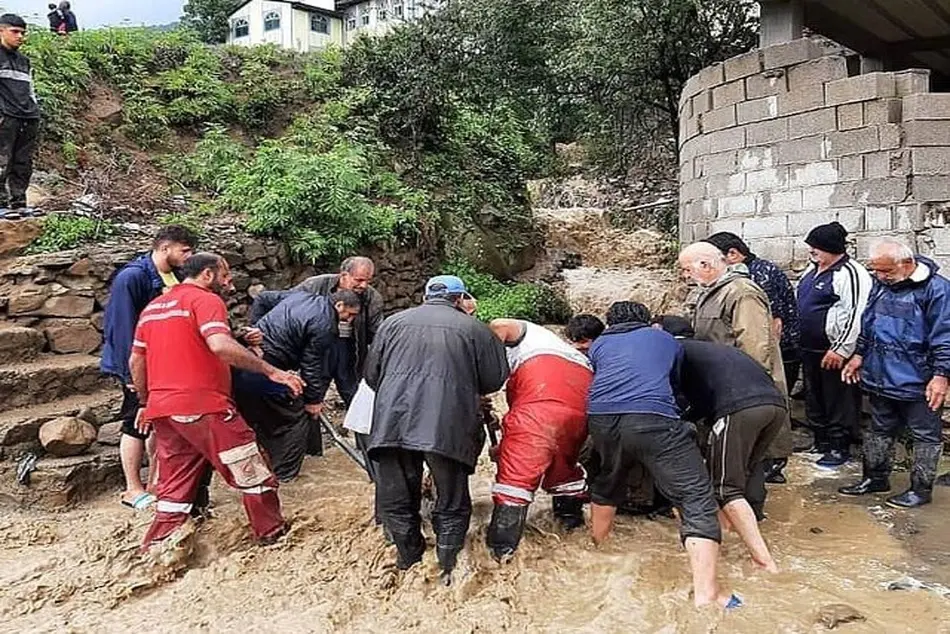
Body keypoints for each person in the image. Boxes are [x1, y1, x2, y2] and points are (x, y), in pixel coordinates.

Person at [129, 253, 305, 550]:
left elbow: (136, 360)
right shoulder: (205, 301)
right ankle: (272, 537)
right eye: (225, 276)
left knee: (174, 488)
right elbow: (220, 345)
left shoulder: (153, 308)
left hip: (164, 411)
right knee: (254, 471)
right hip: (205, 406)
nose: (230, 284)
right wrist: (272, 372)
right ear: (207, 275)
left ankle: (158, 548)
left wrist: (146, 402)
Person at [585, 301, 737, 610]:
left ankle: (597, 553)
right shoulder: (664, 339)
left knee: (608, 480)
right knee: (694, 494)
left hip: (600, 417)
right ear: (647, 322)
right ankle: (708, 593)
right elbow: (674, 383)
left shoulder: (599, 344)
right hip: (652, 417)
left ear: (610, 323)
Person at [364, 275, 509, 581]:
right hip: (449, 424)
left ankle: (409, 559)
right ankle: (446, 563)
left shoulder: (392, 323)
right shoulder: (475, 329)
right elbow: (494, 380)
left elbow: (371, 375)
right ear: (459, 299)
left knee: (397, 495)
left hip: (392, 421)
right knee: (452, 497)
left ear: (425, 296)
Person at [655, 315, 784, 572]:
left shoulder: (674, 351)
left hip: (738, 409)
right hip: (775, 406)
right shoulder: (710, 350)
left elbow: (678, 399)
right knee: (743, 470)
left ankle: (764, 561)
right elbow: (700, 400)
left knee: (725, 488)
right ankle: (730, 535)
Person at [839, 239, 950, 508]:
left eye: (885, 271)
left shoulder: (936, 290)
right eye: (876, 271)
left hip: (918, 379)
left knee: (925, 435)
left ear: (907, 264)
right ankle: (875, 478)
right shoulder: (881, 285)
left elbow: (945, 336)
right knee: (879, 429)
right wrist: (858, 354)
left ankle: (920, 490)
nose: (880, 276)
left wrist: (941, 375)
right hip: (880, 375)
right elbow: (869, 322)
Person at [678, 241, 790, 507]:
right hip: (720, 387)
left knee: (744, 459)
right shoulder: (710, 292)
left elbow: (755, 346)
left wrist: (749, 392)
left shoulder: (741, 292)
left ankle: (749, 516)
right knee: (730, 458)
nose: (685, 276)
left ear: (705, 265)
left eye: (686, 269)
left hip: (743, 390)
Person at [100, 226, 198, 510]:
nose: (188, 256)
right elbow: (121, 328)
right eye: (185, 250)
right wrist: (132, 375)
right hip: (139, 365)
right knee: (135, 424)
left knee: (160, 423)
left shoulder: (177, 277)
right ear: (165, 248)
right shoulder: (132, 278)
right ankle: (132, 488)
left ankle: (158, 483)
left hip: (164, 364)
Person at [485, 319, 592, 561]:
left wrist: (482, 376)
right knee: (564, 470)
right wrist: (503, 448)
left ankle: (500, 555)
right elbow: (543, 438)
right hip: (580, 403)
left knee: (515, 481)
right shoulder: (566, 350)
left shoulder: (518, 333)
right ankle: (572, 537)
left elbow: (498, 325)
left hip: (542, 396)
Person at [237, 289, 362, 481]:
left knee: (257, 417)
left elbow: (262, 298)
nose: (349, 320)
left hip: (244, 361)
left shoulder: (301, 296)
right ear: (339, 305)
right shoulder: (326, 325)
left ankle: (255, 469)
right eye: (350, 314)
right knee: (296, 414)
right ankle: (285, 477)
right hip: (264, 369)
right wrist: (313, 401)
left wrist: (255, 330)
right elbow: (311, 365)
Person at [567, 313, 669, 517]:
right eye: (577, 346)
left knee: (628, 453)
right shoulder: (576, 357)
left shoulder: (613, 352)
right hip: (601, 414)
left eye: (585, 346)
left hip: (624, 414)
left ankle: (638, 499)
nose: (583, 351)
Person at [796, 222, 872, 469]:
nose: (812, 253)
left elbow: (857, 313)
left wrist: (841, 348)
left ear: (830, 248)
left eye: (815, 249)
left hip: (834, 350)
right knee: (814, 396)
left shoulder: (850, 273)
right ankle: (821, 441)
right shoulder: (813, 270)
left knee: (838, 398)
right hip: (809, 348)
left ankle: (840, 446)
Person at [0, 14, 40, 217]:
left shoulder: (24, 61)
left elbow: (30, 89)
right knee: (1, 162)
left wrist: (35, 111)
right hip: (5, 117)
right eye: (15, 32)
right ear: (1, 31)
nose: (20, 36)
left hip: (28, 117)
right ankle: (0, 206)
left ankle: (18, 203)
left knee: (23, 163)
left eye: (23, 32)